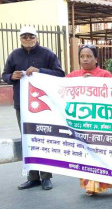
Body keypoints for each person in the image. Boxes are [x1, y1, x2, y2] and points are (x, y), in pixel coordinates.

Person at [2, 25, 65, 190]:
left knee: (43, 138)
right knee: (27, 140)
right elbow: (5, 75)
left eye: (31, 36)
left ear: (36, 38)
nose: (28, 39)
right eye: (24, 36)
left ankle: (46, 177)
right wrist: (11, 76)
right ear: (20, 39)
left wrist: (40, 71)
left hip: (43, 105)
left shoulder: (47, 54)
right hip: (22, 104)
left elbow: (60, 74)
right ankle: (33, 177)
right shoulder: (14, 55)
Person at [66, 45, 112, 197]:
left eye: (89, 56)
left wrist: (97, 82)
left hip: (103, 124)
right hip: (84, 125)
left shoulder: (105, 75)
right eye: (82, 56)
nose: (85, 59)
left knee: (109, 155)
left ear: (96, 59)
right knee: (88, 155)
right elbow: (60, 90)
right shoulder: (73, 76)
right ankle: (91, 186)